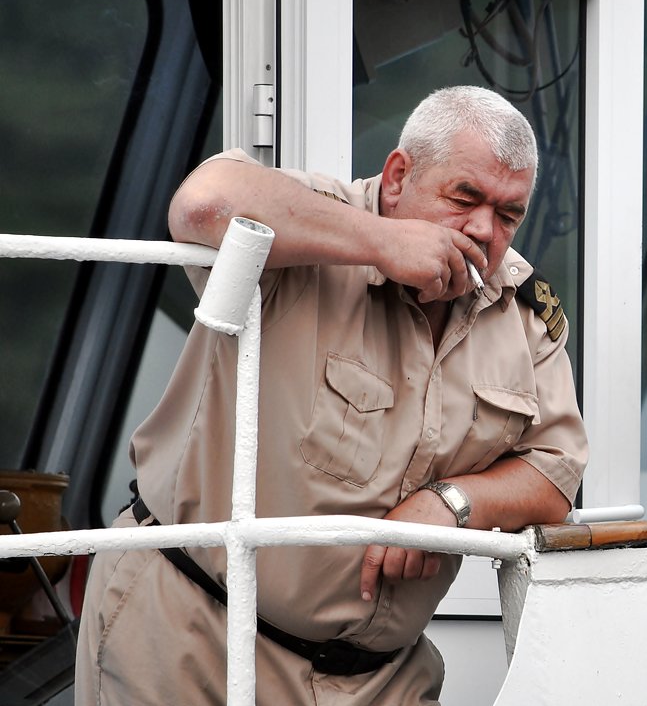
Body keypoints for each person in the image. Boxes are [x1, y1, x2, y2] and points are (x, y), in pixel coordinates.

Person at [75, 85, 588, 705]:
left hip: (381, 680)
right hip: (195, 642)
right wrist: (380, 242)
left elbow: (556, 475)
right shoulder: (309, 224)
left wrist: (448, 503)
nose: (484, 230)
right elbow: (203, 204)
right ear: (398, 176)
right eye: (464, 198)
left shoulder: (523, 309)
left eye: (509, 215)